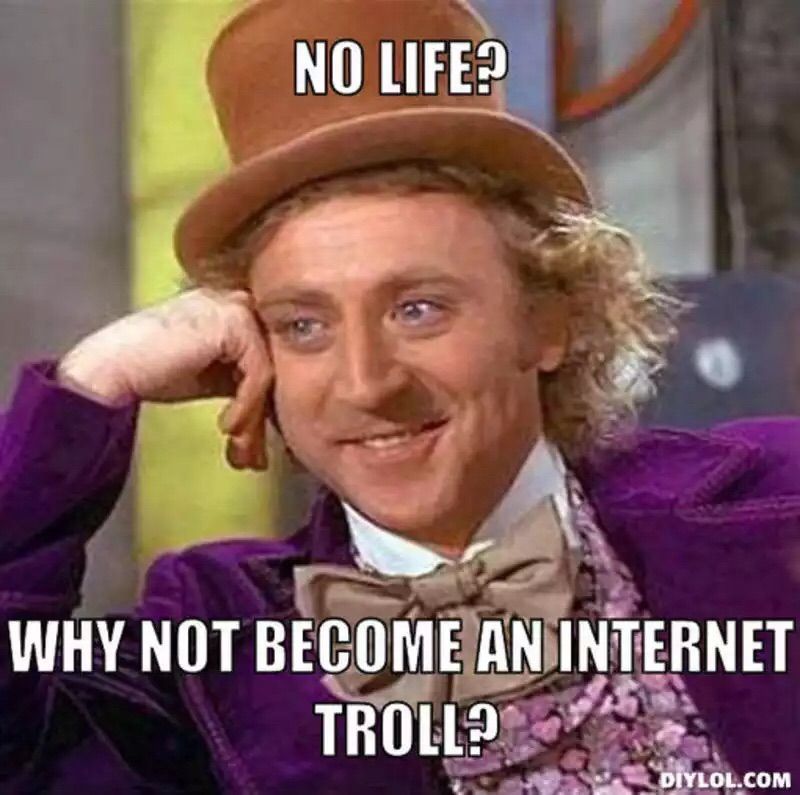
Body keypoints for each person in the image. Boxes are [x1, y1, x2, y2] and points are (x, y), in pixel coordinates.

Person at [2, 1, 799, 793]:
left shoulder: (778, 497)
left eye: (418, 309)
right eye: (304, 324)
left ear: (547, 320)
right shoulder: (211, 642)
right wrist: (90, 386)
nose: (367, 382)